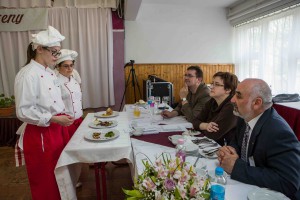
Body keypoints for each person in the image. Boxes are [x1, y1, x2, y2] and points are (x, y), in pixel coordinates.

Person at [14, 26, 74, 200]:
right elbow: (23, 111)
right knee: (46, 180)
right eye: (54, 52)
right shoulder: (27, 74)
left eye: (58, 52)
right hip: (41, 134)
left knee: (61, 175)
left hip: (56, 129)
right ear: (39, 49)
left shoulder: (49, 72)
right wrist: (55, 118)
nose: (57, 57)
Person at [217, 78, 300, 199]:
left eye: (238, 96)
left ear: (256, 103)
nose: (232, 99)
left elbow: (288, 182)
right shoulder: (244, 116)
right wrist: (230, 151)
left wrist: (236, 168)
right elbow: (237, 142)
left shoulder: (278, 132)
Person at [191, 72, 238, 145]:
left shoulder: (231, 107)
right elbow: (194, 121)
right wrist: (206, 126)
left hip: (224, 149)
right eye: (212, 83)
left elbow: (212, 135)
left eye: (217, 84)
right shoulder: (212, 101)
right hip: (209, 144)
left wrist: (201, 126)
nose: (211, 86)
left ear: (228, 89)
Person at [55, 49, 83, 138]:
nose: (70, 68)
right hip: (65, 125)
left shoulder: (74, 79)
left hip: (79, 121)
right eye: (66, 66)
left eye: (71, 65)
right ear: (58, 67)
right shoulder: (55, 82)